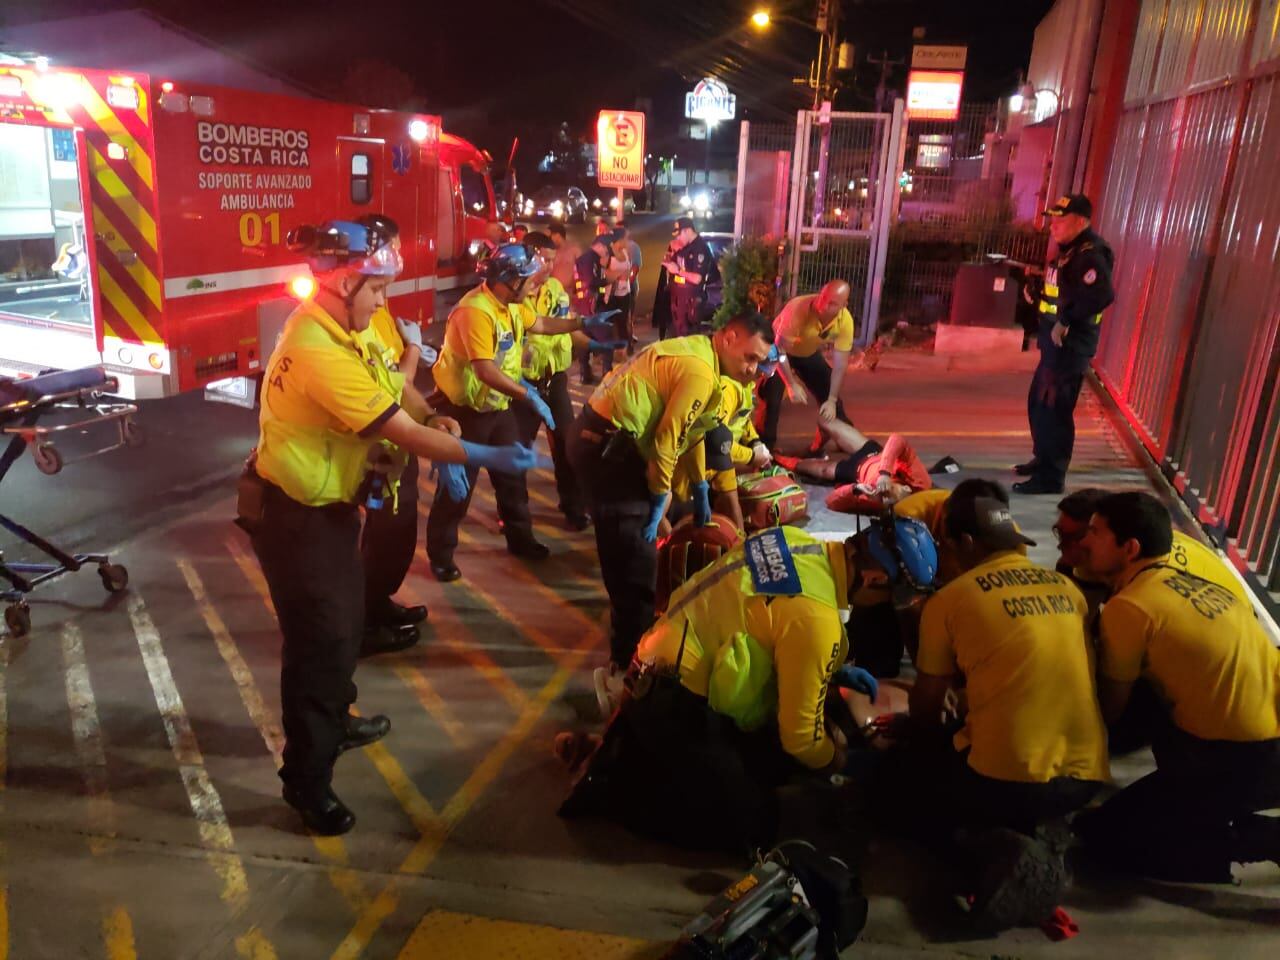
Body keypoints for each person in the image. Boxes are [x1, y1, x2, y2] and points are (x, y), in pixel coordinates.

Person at [243, 218, 541, 835]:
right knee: (318, 646)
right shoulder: (317, 349)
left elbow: (396, 391)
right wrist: (488, 456)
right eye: (376, 289)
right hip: (293, 519)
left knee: (349, 620)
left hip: (328, 512)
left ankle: (338, 718)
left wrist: (437, 412)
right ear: (345, 280)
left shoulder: (351, 328)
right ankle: (307, 781)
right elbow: (399, 433)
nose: (385, 302)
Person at [560, 520, 937, 852]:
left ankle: (626, 746)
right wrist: (841, 764)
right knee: (753, 826)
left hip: (655, 663)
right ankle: (612, 788)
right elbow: (801, 738)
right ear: (875, 579)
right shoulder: (817, 620)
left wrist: (835, 670)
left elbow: (767, 615)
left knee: (758, 760)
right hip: (673, 701)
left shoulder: (792, 539)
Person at [893, 485, 1109, 921]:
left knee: (899, 787)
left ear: (967, 544)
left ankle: (990, 847)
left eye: (947, 545)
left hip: (1004, 781)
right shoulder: (1067, 590)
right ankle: (1039, 825)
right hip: (1084, 779)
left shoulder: (949, 599)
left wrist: (909, 730)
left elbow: (926, 708)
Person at [1074, 491, 1280, 881]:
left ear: (1129, 548)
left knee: (1101, 838)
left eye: (1095, 533)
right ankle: (1200, 807)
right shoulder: (1194, 584)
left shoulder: (1131, 607)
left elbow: (1111, 711)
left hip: (1242, 760)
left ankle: (1256, 839)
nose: (1083, 543)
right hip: (1263, 740)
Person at [567, 313, 775, 676]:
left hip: (618, 445)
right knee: (635, 565)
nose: (753, 370)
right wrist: (659, 499)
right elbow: (667, 443)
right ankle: (627, 671)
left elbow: (692, 434)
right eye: (750, 357)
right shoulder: (699, 371)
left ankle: (637, 643)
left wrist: (698, 486)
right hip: (606, 450)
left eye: (759, 361)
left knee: (646, 550)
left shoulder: (709, 366)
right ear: (728, 338)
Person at [426, 243, 596, 582]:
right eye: (528, 279)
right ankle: (441, 555)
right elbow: (485, 370)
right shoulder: (476, 311)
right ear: (508, 281)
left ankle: (521, 539)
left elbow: (544, 326)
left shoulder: (511, 306)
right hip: (466, 412)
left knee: (512, 478)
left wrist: (581, 322)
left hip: (497, 407)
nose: (534, 283)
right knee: (459, 487)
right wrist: (528, 395)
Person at [353, 215, 429, 657]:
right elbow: (391, 383)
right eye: (392, 249)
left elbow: (397, 380)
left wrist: (429, 416)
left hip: (396, 444)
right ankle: (364, 622)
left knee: (397, 538)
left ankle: (378, 605)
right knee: (382, 538)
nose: (398, 259)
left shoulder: (376, 313)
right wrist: (415, 352)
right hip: (379, 450)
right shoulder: (349, 324)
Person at [1014, 195, 1115, 495]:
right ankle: (1042, 459)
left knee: (1054, 411)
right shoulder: (1068, 252)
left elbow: (1101, 295)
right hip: (1053, 346)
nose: (1053, 225)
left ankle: (1051, 477)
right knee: (1039, 404)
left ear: (1081, 221)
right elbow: (1061, 291)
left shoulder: (1090, 254)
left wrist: (1066, 320)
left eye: (1061, 219)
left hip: (1070, 347)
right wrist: (1037, 293)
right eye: (1052, 219)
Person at [514, 231, 595, 531]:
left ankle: (573, 506)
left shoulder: (556, 290)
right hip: (522, 383)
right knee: (518, 448)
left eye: (551, 260)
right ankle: (514, 517)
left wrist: (593, 343)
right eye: (543, 260)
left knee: (567, 443)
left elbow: (564, 326)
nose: (548, 266)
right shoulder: (514, 294)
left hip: (554, 379)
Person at [757, 280, 856, 453]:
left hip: (806, 353)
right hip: (777, 353)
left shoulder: (845, 321)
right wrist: (791, 384)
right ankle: (765, 449)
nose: (824, 305)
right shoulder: (798, 309)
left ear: (843, 305)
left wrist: (831, 400)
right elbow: (779, 351)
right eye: (823, 298)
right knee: (771, 398)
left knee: (831, 395)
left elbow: (840, 364)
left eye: (832, 303)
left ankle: (842, 440)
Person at [780, 416, 931, 509]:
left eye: (886, 499)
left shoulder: (879, 503)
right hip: (872, 452)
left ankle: (776, 456)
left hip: (855, 471)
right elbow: (897, 440)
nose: (884, 494)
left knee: (813, 468)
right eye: (891, 492)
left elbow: (831, 502)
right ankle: (821, 446)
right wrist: (884, 473)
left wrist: (855, 489)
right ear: (906, 488)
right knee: (824, 419)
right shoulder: (920, 483)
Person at [573, 227, 628, 384]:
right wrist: (609, 280)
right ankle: (606, 373)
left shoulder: (589, 259)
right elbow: (591, 282)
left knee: (586, 338)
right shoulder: (589, 259)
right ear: (600, 246)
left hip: (586, 305)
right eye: (606, 249)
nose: (607, 253)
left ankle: (586, 373)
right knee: (606, 338)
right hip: (591, 306)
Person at [661, 217, 717, 338]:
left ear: (687, 231)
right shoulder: (685, 246)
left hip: (691, 300)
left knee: (688, 336)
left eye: (679, 235)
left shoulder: (700, 248)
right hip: (679, 299)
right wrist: (671, 255)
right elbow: (673, 262)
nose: (677, 239)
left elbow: (697, 278)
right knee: (678, 334)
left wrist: (678, 271)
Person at [547, 221, 579, 292]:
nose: (549, 239)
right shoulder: (550, 252)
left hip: (569, 292)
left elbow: (582, 271)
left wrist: (577, 291)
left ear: (557, 235)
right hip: (552, 292)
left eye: (551, 236)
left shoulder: (574, 250)